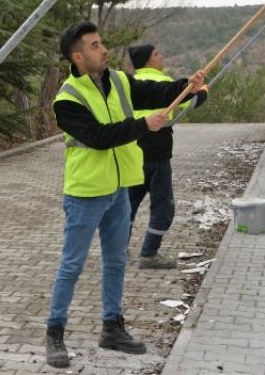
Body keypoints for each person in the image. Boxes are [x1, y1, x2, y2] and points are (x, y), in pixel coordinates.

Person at [45, 22, 205, 368]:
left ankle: (112, 328)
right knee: (72, 266)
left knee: (116, 260)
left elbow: (153, 93)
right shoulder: (67, 99)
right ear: (77, 56)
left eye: (101, 43)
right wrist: (142, 126)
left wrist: (187, 87)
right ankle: (55, 333)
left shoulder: (118, 80)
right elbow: (99, 136)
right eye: (94, 45)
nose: (103, 50)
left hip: (119, 189)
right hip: (86, 194)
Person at [126, 44, 208, 269]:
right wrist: (203, 91)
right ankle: (149, 254)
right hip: (157, 155)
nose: (161, 56)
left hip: (132, 154)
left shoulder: (128, 84)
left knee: (128, 204)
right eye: (156, 54)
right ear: (147, 60)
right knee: (163, 207)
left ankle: (118, 250)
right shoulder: (162, 83)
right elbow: (190, 101)